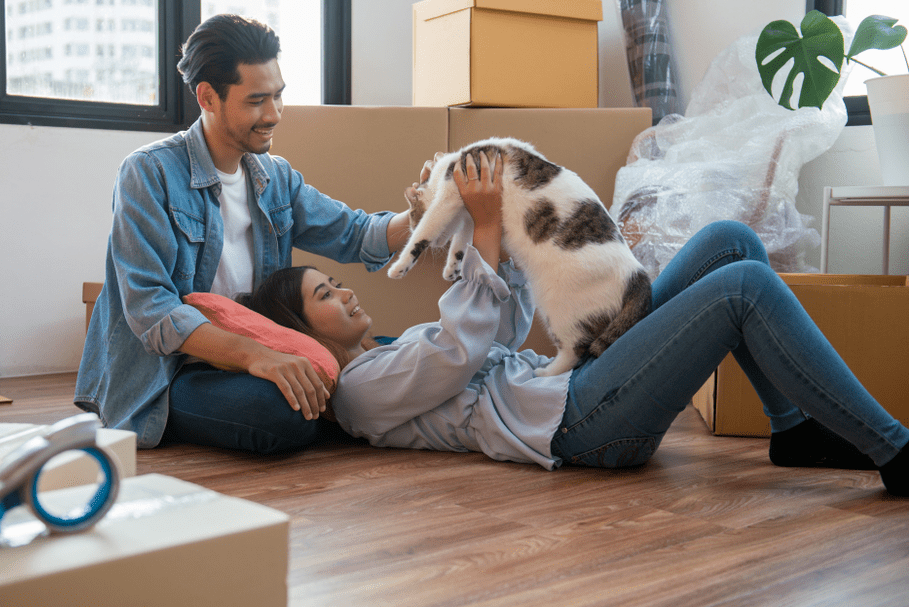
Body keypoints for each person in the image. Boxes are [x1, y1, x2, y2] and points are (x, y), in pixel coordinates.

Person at [243, 150, 909, 496]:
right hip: (581, 423)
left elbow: (501, 332)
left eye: (335, 280)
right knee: (745, 288)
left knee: (729, 241)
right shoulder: (359, 395)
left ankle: (791, 430)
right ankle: (896, 451)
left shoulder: (391, 348)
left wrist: (494, 225)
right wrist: (477, 228)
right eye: (325, 295)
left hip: (579, 375)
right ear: (305, 333)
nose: (345, 293)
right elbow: (457, 353)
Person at [74, 14, 411, 453]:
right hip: (176, 369)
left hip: (263, 349)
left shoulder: (275, 178)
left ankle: (344, 399)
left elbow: (359, 235)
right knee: (279, 413)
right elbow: (151, 312)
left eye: (278, 96)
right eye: (256, 101)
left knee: (396, 351)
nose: (273, 114)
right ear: (208, 97)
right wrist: (258, 357)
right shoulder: (149, 172)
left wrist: (428, 210)